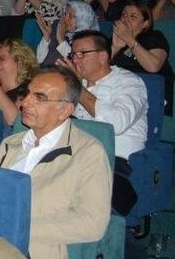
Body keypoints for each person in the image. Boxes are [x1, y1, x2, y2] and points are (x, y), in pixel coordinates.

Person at [0, 67, 111, 259]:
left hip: (29, 247)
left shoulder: (87, 152)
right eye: (27, 94)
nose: (25, 102)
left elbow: (92, 223)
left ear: (65, 110)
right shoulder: (12, 143)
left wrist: (19, 227)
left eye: (39, 98)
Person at [57, 31, 147, 215]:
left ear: (103, 56)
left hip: (114, 163)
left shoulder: (129, 83)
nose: (76, 59)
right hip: (73, 155)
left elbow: (115, 124)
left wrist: (78, 89)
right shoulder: (75, 83)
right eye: (74, 54)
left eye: (82, 54)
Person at [111, 0, 175, 115]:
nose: (126, 19)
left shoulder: (154, 37)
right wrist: (115, 48)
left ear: (145, 23)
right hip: (122, 94)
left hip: (152, 93)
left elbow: (153, 67)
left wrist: (130, 40)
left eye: (133, 16)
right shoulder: (117, 40)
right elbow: (100, 72)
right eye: (124, 14)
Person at [35, 1, 99, 65]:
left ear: (82, 21)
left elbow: (77, 64)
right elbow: (39, 60)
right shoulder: (57, 28)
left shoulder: (88, 42)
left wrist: (61, 40)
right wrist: (46, 37)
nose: (65, 18)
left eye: (70, 16)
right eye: (65, 14)